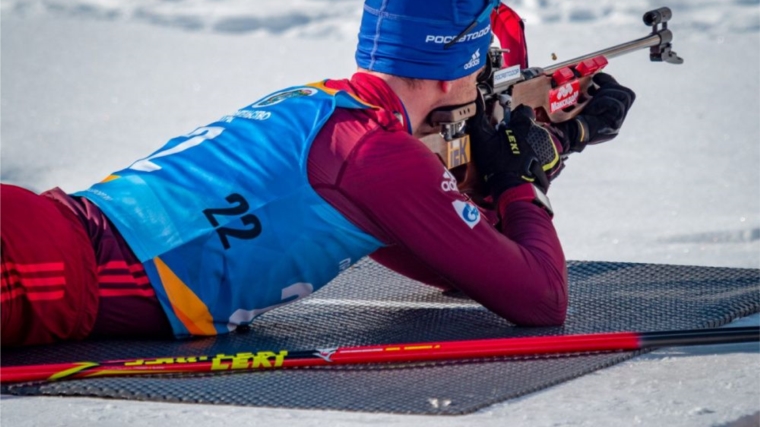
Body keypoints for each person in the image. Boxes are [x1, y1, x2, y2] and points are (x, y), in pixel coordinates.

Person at [0, 0, 635, 346]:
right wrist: (527, 179)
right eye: (483, 66)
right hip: (53, 271)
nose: (483, 80)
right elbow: (542, 299)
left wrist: (545, 147)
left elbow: (461, 266)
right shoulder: (381, 158)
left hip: (47, 235)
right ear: (451, 71)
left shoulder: (323, 105)